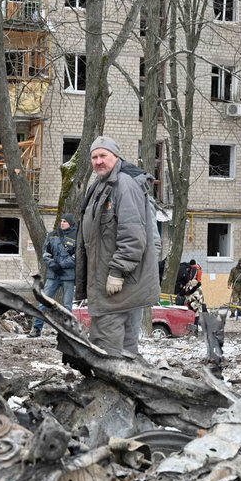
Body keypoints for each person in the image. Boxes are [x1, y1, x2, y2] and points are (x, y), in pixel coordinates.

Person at [74, 136, 159, 356]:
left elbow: (133, 235)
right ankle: (125, 385)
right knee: (122, 346)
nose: (98, 161)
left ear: (116, 156)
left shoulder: (124, 185)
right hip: (106, 283)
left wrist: (118, 271)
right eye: (94, 157)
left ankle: (108, 387)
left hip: (118, 285)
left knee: (107, 345)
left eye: (103, 155)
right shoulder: (102, 185)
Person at [29, 214, 78, 337]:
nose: (62, 223)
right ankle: (36, 328)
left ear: (71, 223)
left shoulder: (77, 236)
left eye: (65, 221)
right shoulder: (52, 235)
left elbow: (77, 256)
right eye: (61, 221)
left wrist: (62, 265)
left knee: (67, 305)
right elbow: (45, 253)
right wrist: (53, 265)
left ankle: (66, 332)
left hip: (69, 276)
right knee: (43, 302)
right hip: (53, 275)